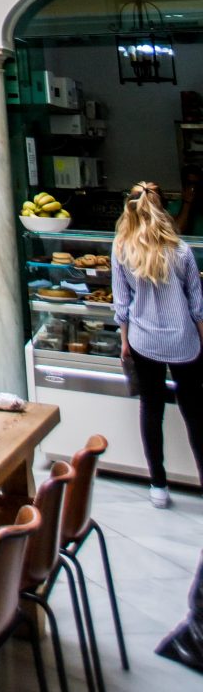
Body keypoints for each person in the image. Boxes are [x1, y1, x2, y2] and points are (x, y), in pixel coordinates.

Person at [112, 180, 203, 509]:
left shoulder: (122, 249)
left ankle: (158, 486)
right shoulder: (181, 251)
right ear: (163, 208)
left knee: (151, 410)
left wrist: (124, 341)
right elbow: (197, 305)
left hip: (143, 340)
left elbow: (121, 305)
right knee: (195, 414)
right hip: (184, 341)